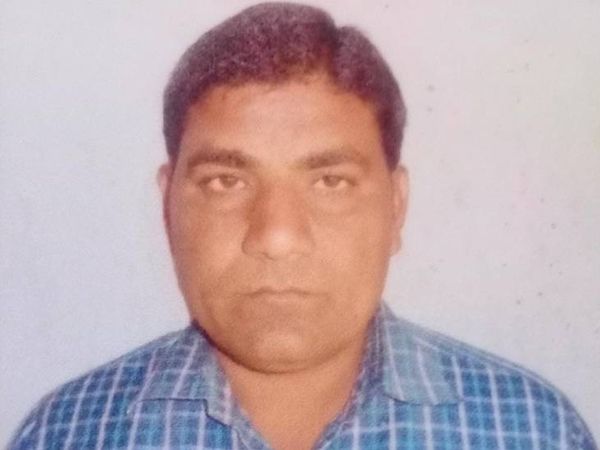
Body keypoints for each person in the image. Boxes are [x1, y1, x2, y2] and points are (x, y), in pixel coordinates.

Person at [9, 3, 596, 449]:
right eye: (225, 181)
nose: (277, 236)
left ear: (396, 208)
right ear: (168, 208)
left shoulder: (535, 432)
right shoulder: (63, 434)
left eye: (330, 182)